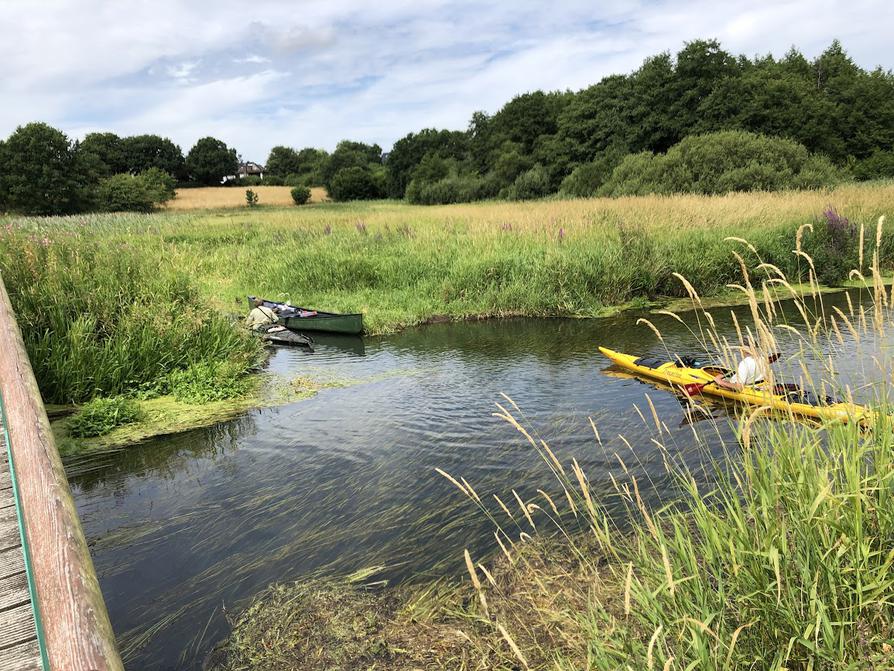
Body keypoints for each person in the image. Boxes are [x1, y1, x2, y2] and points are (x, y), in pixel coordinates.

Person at [713, 345, 780, 391]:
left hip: (747, 388)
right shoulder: (764, 360)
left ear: (744, 349)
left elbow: (739, 388)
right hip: (758, 385)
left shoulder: (745, 363)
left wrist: (720, 381)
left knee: (719, 377)